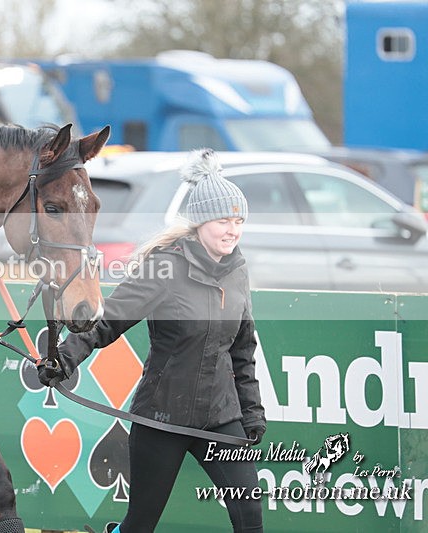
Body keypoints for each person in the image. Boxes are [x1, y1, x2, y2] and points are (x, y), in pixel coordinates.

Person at [38, 148, 266, 533]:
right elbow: (107, 321)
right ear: (199, 223)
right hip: (162, 418)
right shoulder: (164, 267)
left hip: (220, 418)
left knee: (250, 518)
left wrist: (251, 411)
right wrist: (65, 358)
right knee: (140, 525)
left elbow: (242, 350)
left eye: (238, 220)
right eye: (223, 220)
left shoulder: (237, 272)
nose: (232, 229)